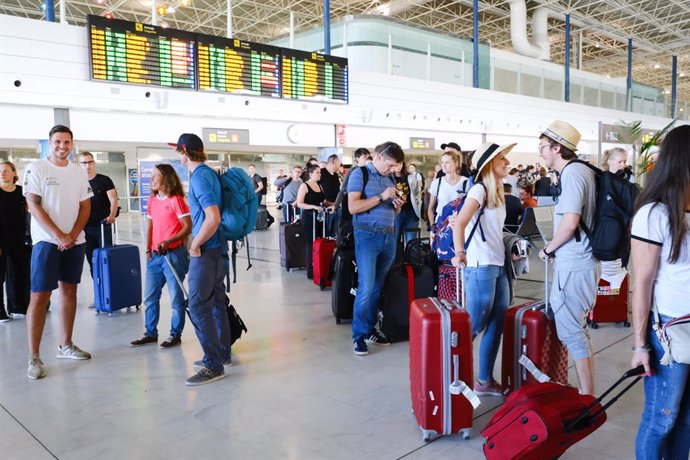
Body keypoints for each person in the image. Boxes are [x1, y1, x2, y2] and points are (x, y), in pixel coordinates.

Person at [630, 125, 690, 458]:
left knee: (687, 422)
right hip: (668, 331)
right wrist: (640, 345)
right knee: (661, 420)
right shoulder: (653, 214)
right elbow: (642, 282)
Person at [22, 125, 93, 380]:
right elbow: (33, 204)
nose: (62, 146)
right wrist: (59, 235)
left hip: (75, 242)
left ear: (72, 143)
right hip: (46, 243)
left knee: (69, 290)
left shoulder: (77, 172)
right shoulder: (37, 168)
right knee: (40, 297)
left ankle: (66, 345)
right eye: (58, 142)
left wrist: (72, 235)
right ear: (50, 143)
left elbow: (85, 206)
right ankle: (34, 356)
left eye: (67, 142)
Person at [537, 120, 598, 396]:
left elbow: (571, 222)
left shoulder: (573, 174)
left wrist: (549, 248)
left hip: (574, 265)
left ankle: (587, 396)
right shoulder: (584, 171)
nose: (541, 153)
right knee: (575, 329)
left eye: (543, 148)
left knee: (573, 331)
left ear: (557, 147)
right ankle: (586, 391)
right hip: (581, 263)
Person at [451, 141, 515, 396]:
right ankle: (449, 373)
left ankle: (484, 381)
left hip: (497, 264)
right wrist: (459, 253)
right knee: (474, 324)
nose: (507, 163)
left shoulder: (497, 189)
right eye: (502, 159)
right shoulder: (478, 189)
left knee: (497, 323)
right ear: (489, 164)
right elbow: (460, 224)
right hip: (480, 266)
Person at [173, 133, 231, 386]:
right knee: (217, 301)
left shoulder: (200, 178)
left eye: (178, 151)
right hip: (218, 250)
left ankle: (213, 364)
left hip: (206, 253)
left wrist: (195, 244)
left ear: (185, 151)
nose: (178, 156)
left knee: (197, 306)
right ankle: (222, 354)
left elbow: (213, 217)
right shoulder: (208, 173)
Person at [348, 142, 405, 356]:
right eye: (390, 165)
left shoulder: (389, 178)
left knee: (376, 288)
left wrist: (396, 206)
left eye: (394, 167)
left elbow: (390, 212)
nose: (392, 170)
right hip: (367, 237)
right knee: (366, 287)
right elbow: (354, 207)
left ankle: (370, 328)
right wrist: (382, 196)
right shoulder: (359, 174)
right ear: (378, 157)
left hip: (389, 236)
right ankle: (359, 336)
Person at [130, 164, 192, 349]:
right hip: (155, 257)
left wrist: (169, 240)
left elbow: (187, 226)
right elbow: (150, 226)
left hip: (173, 256)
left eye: (156, 175)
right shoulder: (152, 201)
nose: (152, 178)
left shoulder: (176, 200)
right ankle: (150, 333)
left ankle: (175, 334)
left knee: (175, 298)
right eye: (152, 175)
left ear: (168, 178)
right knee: (150, 297)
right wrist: (148, 249)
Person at [78, 151, 118, 291]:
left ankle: (111, 292)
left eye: (89, 162)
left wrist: (112, 215)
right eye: (84, 162)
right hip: (85, 228)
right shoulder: (77, 182)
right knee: (93, 261)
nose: (87, 165)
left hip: (103, 227)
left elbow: (113, 199)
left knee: (107, 259)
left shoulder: (104, 180)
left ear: (93, 163)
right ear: (79, 164)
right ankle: (100, 294)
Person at [0, 161, 29, 323]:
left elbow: (30, 212)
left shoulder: (21, 192)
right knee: (0, 276)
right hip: (1, 239)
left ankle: (17, 306)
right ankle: (0, 311)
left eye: (5, 171)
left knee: (19, 274)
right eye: (0, 171)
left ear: (13, 173)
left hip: (19, 238)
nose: (2, 174)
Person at [294, 164, 335, 279]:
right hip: (309, 218)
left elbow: (324, 201)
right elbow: (300, 203)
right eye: (317, 172)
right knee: (310, 243)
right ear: (310, 174)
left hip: (320, 218)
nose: (320, 174)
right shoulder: (304, 186)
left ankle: (320, 267)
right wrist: (314, 207)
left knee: (320, 241)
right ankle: (311, 271)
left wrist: (335, 204)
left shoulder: (319, 186)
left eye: (320, 172)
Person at [427, 150, 468, 227]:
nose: (443, 165)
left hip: (461, 225)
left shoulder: (466, 182)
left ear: (455, 164)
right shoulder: (437, 183)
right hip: (441, 226)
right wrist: (433, 227)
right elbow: (431, 208)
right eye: (442, 162)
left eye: (447, 162)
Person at [393, 161, 421, 246]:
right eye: (396, 164)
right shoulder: (388, 178)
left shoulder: (410, 177)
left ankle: (411, 259)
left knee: (411, 241)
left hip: (411, 211)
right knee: (394, 240)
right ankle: (397, 259)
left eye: (400, 164)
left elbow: (417, 192)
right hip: (395, 212)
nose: (398, 166)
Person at [319, 154, 342, 237]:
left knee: (335, 231)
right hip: (325, 207)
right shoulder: (321, 173)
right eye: (339, 162)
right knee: (326, 231)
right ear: (334, 162)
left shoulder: (336, 175)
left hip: (336, 206)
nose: (339, 164)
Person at [248, 164, 274, 228]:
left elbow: (261, 186)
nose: (251, 169)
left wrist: (254, 192)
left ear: (254, 169)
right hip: (252, 196)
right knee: (255, 208)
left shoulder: (256, 177)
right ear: (248, 169)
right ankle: (256, 223)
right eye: (250, 168)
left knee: (256, 208)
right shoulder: (249, 177)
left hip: (257, 195)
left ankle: (271, 218)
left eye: (252, 168)